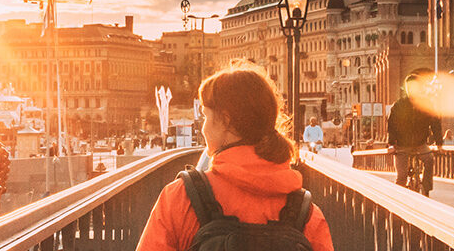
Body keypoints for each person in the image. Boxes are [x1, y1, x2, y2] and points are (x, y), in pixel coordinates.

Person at [137, 67, 332, 250]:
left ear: (226, 120)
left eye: (205, 116)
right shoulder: (306, 215)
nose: (203, 128)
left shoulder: (180, 199)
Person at [387, 73, 443, 196]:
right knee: (401, 177)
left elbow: (435, 123)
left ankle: (426, 187)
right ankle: (399, 200)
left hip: (420, 144)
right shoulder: (399, 105)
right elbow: (392, 125)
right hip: (402, 145)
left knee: (429, 160)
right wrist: (391, 144)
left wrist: (439, 143)